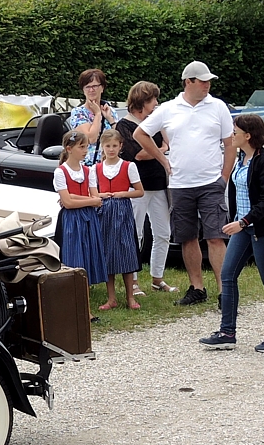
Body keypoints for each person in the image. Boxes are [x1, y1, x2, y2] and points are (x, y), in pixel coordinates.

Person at [134, 61, 235, 307]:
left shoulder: (218, 106)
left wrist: (224, 176)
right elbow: (140, 134)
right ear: (188, 81)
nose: (207, 85)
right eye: (202, 81)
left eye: (209, 81)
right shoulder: (169, 109)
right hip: (180, 184)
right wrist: (163, 160)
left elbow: (230, 144)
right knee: (188, 237)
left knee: (215, 237)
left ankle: (225, 292)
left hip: (211, 181)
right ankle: (197, 287)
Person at [200, 115, 264, 352]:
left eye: (236, 132)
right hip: (243, 228)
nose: (232, 135)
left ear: (248, 136)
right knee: (227, 275)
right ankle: (227, 331)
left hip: (263, 230)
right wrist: (238, 221)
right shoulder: (242, 158)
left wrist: (244, 221)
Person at [116, 81, 176, 294]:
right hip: (137, 185)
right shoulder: (124, 125)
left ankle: (157, 277)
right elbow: (138, 155)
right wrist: (160, 149)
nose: (156, 104)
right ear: (143, 101)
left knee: (163, 232)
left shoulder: (153, 121)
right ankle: (132, 280)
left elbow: (168, 143)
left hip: (158, 184)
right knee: (136, 233)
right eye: (153, 100)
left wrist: (161, 141)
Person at [94, 130, 144, 310]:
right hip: (104, 212)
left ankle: (130, 297)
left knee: (126, 252)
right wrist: (100, 195)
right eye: (108, 146)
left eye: (115, 146)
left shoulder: (128, 166)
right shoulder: (97, 168)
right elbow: (91, 192)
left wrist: (124, 193)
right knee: (107, 252)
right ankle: (111, 298)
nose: (111, 149)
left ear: (121, 146)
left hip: (122, 211)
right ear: (102, 147)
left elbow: (140, 191)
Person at [54, 131, 106, 286]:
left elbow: (96, 198)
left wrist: (73, 197)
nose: (85, 151)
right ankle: (73, 287)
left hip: (88, 217)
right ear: (69, 149)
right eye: (81, 147)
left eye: (87, 147)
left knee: (88, 251)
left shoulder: (88, 171)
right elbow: (68, 203)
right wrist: (86, 200)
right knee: (73, 252)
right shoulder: (60, 172)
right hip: (71, 218)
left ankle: (86, 287)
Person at [68, 68, 117, 166]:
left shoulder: (110, 111)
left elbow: (119, 138)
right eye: (87, 87)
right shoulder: (78, 113)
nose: (91, 90)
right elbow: (90, 139)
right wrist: (98, 114)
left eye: (95, 86)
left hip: (109, 166)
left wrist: (111, 120)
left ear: (102, 88)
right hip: (88, 167)